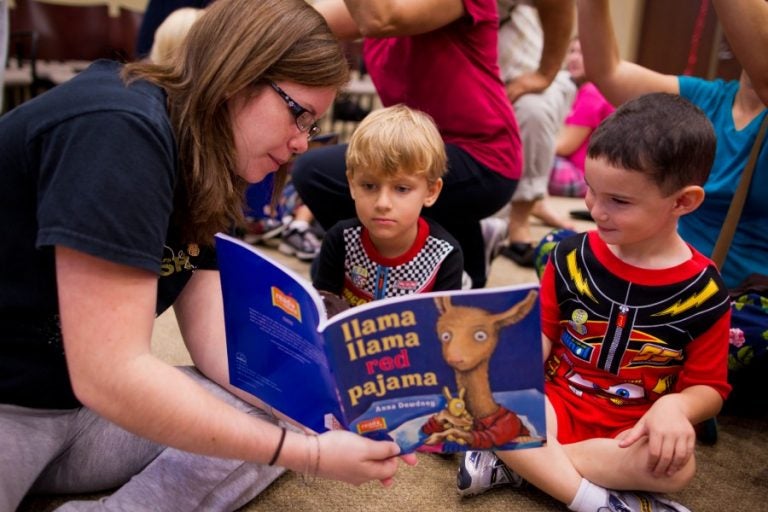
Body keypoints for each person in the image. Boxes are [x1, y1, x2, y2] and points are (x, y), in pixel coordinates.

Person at [0, 0, 415, 510]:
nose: (302, 143)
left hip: (81, 413)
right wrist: (307, 455)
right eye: (300, 116)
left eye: (312, 127)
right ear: (239, 75)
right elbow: (110, 373)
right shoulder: (118, 128)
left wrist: (334, 413)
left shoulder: (212, 160)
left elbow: (216, 342)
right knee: (281, 435)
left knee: (280, 404)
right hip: (12, 407)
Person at [456, 93, 732, 512]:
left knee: (679, 469)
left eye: (618, 201)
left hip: (630, 431)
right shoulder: (570, 256)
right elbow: (543, 336)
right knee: (488, 401)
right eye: (590, 190)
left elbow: (708, 386)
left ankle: (518, 466)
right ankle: (594, 501)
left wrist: (677, 408)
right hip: (552, 404)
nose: (594, 209)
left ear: (683, 202)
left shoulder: (705, 290)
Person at [292, 0, 521, 289]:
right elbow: (296, 19)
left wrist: (546, 72)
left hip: (482, 156)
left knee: (315, 172)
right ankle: (468, 242)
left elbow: (380, 20)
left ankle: (405, 259)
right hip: (418, 151)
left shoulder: (392, 14)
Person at [576, 0, 767, 290]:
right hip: (667, 272)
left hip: (745, 297)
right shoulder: (707, 98)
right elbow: (608, 72)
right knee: (561, 254)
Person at [313, 104, 464, 310]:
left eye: (401, 189)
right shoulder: (341, 240)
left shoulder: (443, 255)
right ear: (352, 184)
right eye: (369, 186)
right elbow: (322, 311)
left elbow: (443, 330)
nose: (383, 203)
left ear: (431, 192)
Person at [495, 0, 577, 268]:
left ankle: (522, 216)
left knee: (534, 110)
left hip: (521, 70)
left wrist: (543, 74)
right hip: (460, 71)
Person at [547, 36, 614, 199]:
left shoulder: (592, 92)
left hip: (583, 179)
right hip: (591, 178)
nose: (574, 58)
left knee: (525, 158)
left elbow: (565, 146)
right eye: (572, 51)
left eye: (582, 53)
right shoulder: (595, 89)